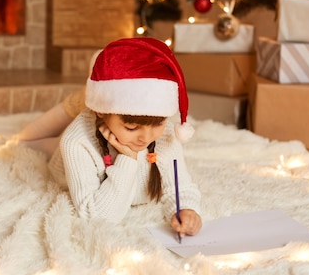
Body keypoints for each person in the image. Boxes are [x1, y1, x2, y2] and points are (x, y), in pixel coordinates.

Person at [44, 37, 203, 238]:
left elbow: (179, 185)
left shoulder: (165, 134)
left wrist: (187, 210)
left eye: (158, 124)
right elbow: (98, 216)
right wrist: (128, 158)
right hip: (59, 155)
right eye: (131, 127)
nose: (145, 138)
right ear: (101, 111)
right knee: (31, 144)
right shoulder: (76, 143)